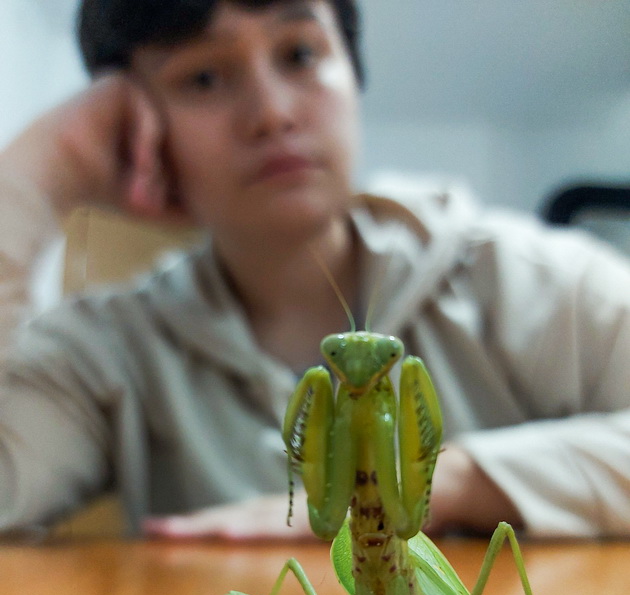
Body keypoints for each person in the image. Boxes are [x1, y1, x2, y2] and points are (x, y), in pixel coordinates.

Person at [0, 0, 629, 541]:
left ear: (353, 72)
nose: (271, 113)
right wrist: (29, 180)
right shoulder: (107, 348)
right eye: (202, 78)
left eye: (300, 54)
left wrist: (456, 480)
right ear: (134, 124)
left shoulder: (522, 277)